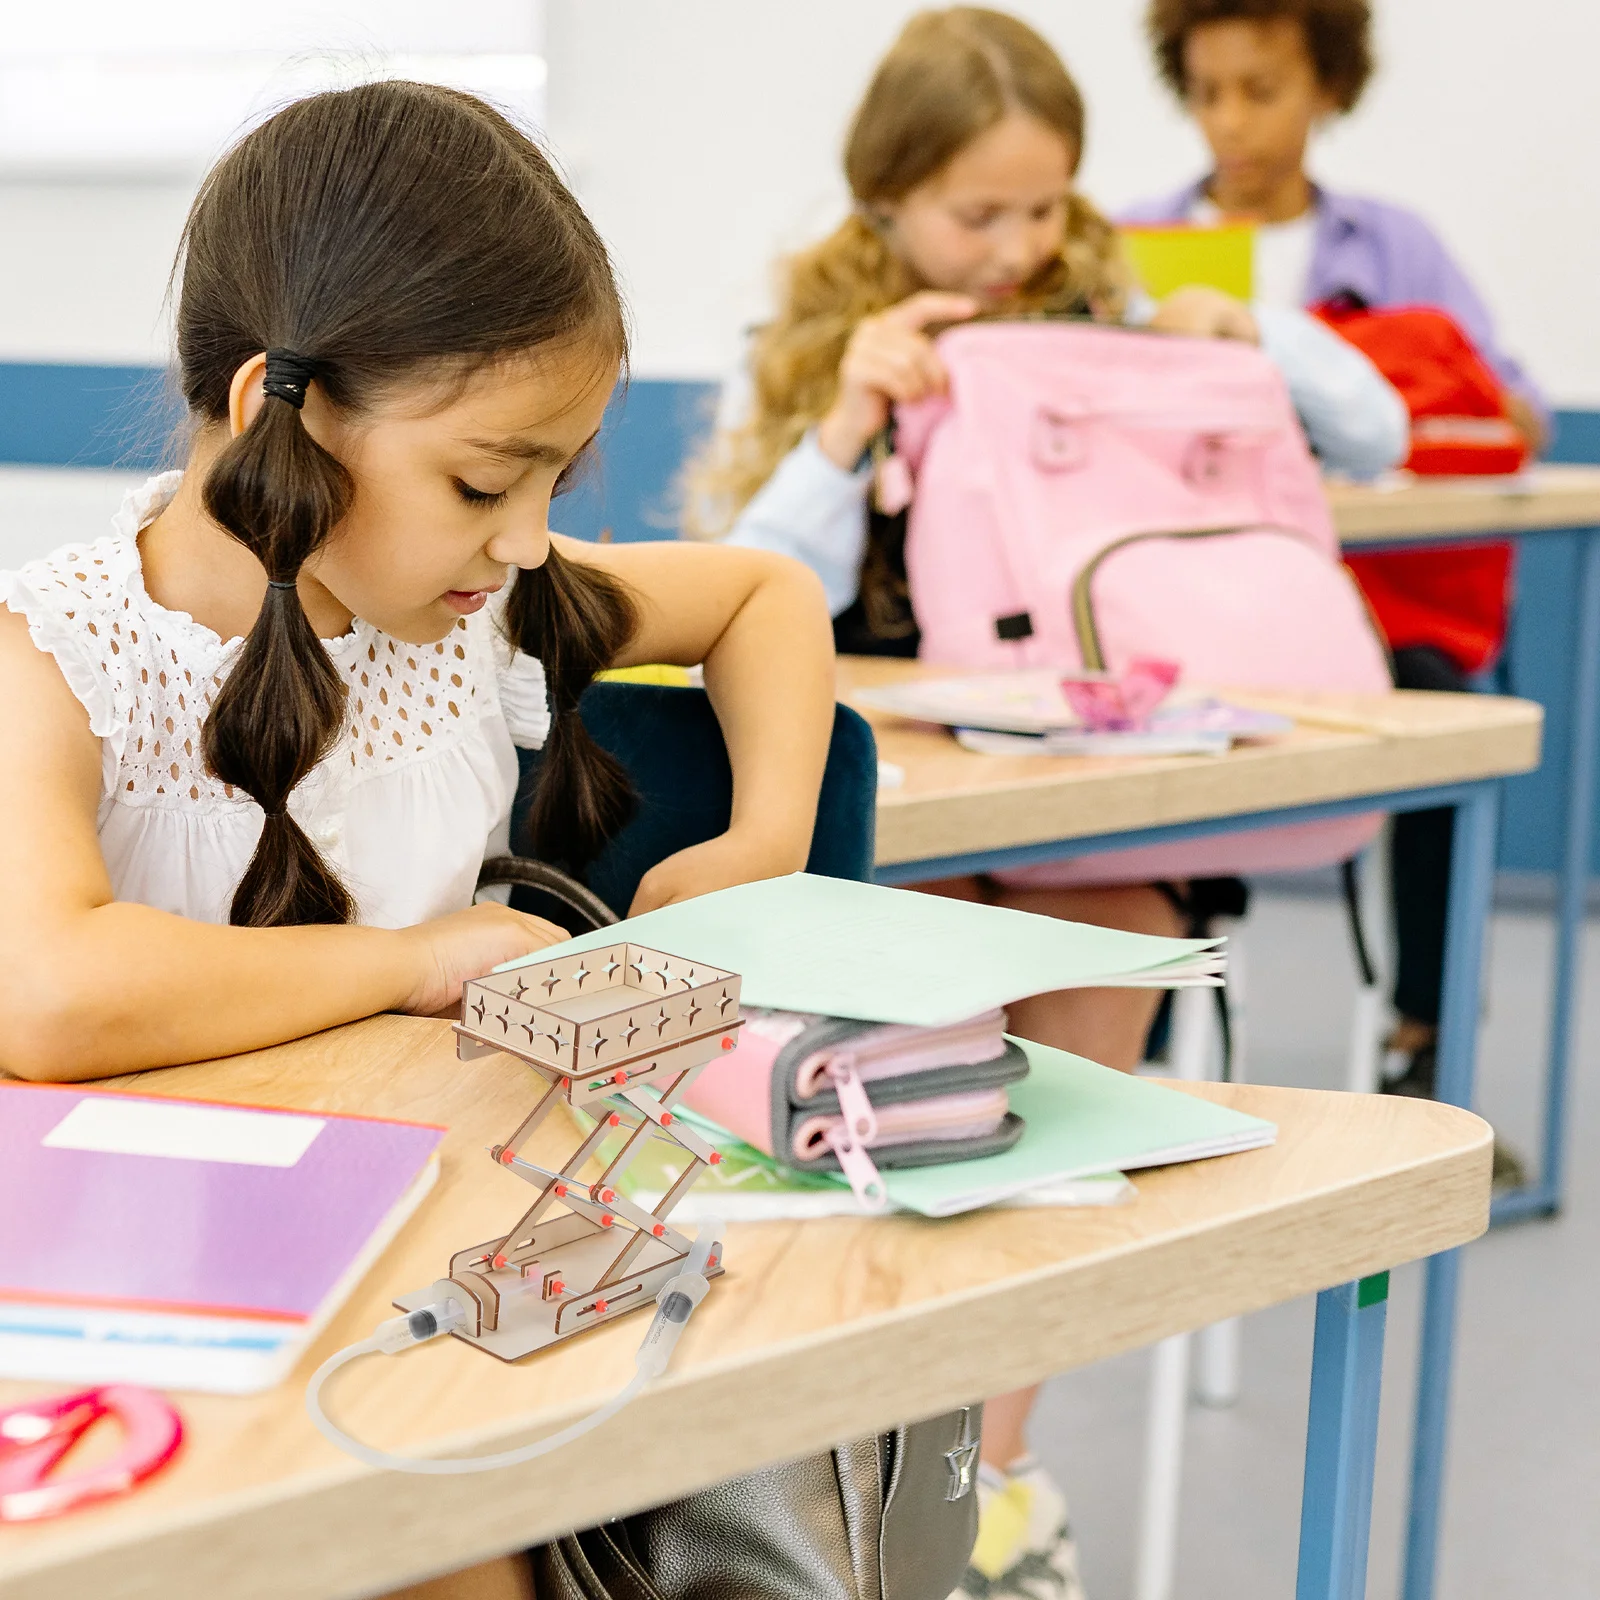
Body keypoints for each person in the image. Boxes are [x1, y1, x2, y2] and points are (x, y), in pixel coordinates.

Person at [0, 82, 834, 1600]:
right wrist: (411, 961)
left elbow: (768, 598)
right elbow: (53, 1000)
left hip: (435, 1258)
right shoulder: (57, 652)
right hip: (142, 1306)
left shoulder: (476, 606)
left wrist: (762, 837)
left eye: (548, 488)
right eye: (480, 482)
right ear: (278, 413)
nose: (523, 540)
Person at [686, 10, 1404, 1597]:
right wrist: (848, 422)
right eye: (975, 214)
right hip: (901, 811)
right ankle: (864, 1448)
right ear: (884, 203)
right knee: (911, 989)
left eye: (1042, 206)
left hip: (1086, 796)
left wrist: (1242, 333)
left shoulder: (1119, 298)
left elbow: (1379, 437)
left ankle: (984, 1469)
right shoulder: (824, 333)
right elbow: (743, 584)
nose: (1018, 248)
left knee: (1114, 943)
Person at [1127, 0, 1548, 1116]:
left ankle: (1427, 1038)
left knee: (1434, 713)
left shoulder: (1396, 248)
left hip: (1366, 615)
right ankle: (1141, 1036)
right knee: (1128, 731)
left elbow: (1519, 418)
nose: (1230, 123)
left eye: (1261, 90)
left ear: (1328, 88)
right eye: (1208, 91)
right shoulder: (1130, 243)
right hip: (1192, 615)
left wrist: (1364, 380)